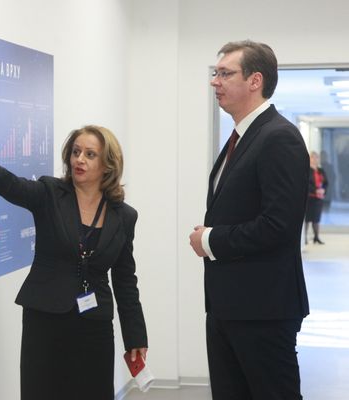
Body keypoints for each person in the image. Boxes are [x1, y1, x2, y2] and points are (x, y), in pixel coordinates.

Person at [0, 125, 148, 400]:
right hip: (45, 318)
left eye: (90, 154)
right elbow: (10, 184)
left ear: (108, 165)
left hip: (94, 325)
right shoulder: (50, 193)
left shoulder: (124, 216)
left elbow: (125, 281)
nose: (79, 160)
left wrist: (135, 337)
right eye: (75, 152)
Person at [189, 40, 310, 400]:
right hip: (228, 307)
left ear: (255, 81)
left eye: (225, 73)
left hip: (263, 310)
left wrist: (210, 240)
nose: (215, 81)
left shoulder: (279, 137)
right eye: (215, 73)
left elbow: (279, 225)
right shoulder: (243, 137)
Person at [305, 151, 328, 244]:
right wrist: (315, 190)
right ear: (310, 159)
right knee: (307, 219)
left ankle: (316, 237)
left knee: (316, 219)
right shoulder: (307, 170)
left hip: (319, 198)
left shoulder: (321, 170)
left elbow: (326, 183)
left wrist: (323, 190)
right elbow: (306, 184)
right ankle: (304, 238)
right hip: (309, 198)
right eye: (313, 157)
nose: (315, 159)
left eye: (317, 157)